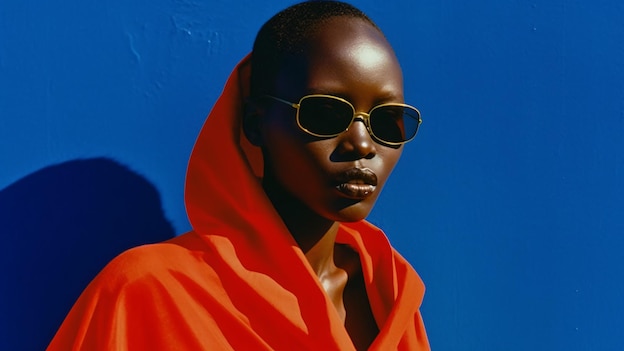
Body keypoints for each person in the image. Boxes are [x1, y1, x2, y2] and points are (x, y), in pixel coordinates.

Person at [47, 1, 429, 350]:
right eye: (326, 114)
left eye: (386, 121)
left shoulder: (390, 296)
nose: (362, 144)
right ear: (255, 124)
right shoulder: (146, 291)